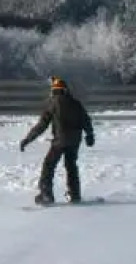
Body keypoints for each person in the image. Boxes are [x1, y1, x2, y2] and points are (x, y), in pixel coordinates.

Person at [20, 76, 95, 204]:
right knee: (71, 166)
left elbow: (41, 126)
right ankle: (75, 194)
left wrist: (27, 140)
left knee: (49, 165)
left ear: (54, 90)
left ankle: (46, 194)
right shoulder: (76, 103)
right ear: (65, 90)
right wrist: (89, 135)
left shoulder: (53, 104)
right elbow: (86, 120)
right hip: (75, 141)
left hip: (59, 141)